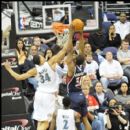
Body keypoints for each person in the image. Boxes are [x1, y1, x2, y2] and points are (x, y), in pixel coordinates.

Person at [2, 24, 75, 130]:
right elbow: (65, 50)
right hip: (48, 96)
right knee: (45, 123)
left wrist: (9, 69)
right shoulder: (50, 63)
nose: (42, 56)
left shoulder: (34, 70)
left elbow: (18, 77)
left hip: (39, 94)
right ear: (41, 59)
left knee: (41, 122)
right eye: (41, 56)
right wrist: (71, 34)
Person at [65, 31, 92, 130]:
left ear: (75, 60)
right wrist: (80, 35)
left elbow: (68, 53)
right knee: (85, 120)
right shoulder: (83, 66)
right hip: (81, 95)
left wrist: (70, 36)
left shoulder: (72, 69)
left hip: (73, 96)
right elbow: (81, 51)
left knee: (73, 121)